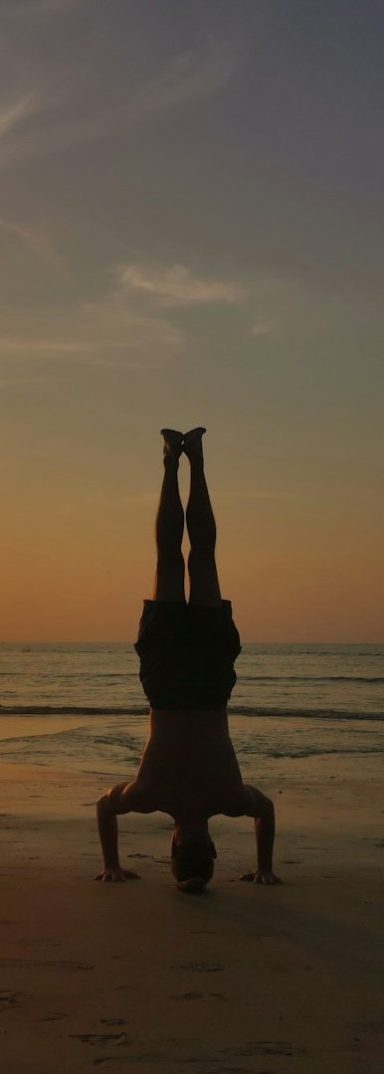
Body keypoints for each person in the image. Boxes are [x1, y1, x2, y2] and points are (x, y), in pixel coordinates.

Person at [96, 428, 281, 892]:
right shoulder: (147, 795)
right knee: (167, 560)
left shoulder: (231, 797)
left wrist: (265, 866)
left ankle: (194, 461)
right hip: (166, 686)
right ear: (174, 845)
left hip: (211, 686)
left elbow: (266, 811)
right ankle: (169, 463)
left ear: (213, 847)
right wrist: (111, 863)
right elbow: (105, 806)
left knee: (202, 558)